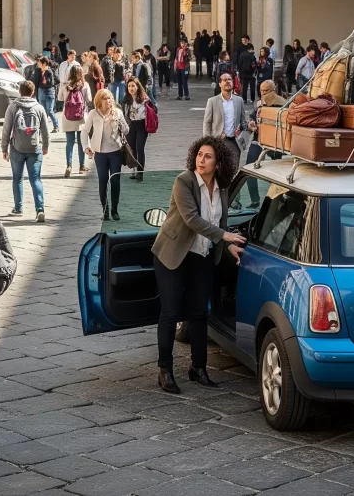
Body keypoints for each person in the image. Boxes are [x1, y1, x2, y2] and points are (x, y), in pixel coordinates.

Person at [151, 136, 247, 393]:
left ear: (218, 163)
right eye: (199, 154)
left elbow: (220, 222)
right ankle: (165, 370)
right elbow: (192, 219)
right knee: (171, 312)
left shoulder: (222, 187)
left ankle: (199, 368)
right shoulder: (184, 181)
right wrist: (224, 236)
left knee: (199, 312)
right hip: (173, 254)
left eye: (208, 156)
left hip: (201, 255)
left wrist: (228, 245)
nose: (201, 160)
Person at [2, 81, 51, 221]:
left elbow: (6, 129)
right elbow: (45, 130)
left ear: (20, 91)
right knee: (35, 179)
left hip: (16, 148)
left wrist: (4, 148)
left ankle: (18, 208)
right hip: (35, 148)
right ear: (33, 92)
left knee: (17, 178)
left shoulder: (13, 107)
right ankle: (40, 209)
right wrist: (46, 145)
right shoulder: (39, 108)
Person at [85, 89, 129, 220]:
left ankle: (115, 209)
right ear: (99, 101)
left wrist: (120, 124)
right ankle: (105, 210)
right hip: (100, 153)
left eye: (109, 98)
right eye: (105, 99)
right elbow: (84, 131)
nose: (108, 101)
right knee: (103, 181)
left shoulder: (117, 112)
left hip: (115, 152)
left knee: (115, 180)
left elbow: (127, 130)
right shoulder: (93, 114)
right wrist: (86, 146)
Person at [245, 80, 285, 206]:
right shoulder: (259, 103)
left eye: (265, 91)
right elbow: (253, 117)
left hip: (275, 142)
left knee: (276, 173)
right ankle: (255, 200)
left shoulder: (283, 103)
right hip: (259, 139)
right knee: (249, 168)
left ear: (273, 90)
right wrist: (251, 123)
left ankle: (277, 200)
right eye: (261, 91)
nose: (262, 93)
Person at [204, 73, 249, 167]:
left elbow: (243, 119)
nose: (228, 81)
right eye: (225, 80)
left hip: (234, 141)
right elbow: (207, 122)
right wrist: (208, 141)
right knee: (218, 169)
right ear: (220, 84)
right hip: (218, 141)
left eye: (229, 79)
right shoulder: (212, 101)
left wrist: (241, 128)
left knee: (234, 168)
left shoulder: (239, 100)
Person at [60, 65, 93, 178]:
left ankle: (69, 166)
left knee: (69, 142)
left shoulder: (65, 85)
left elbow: (60, 98)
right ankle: (81, 166)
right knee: (81, 142)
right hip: (81, 117)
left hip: (67, 116)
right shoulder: (85, 85)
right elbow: (89, 100)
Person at [122, 77, 155, 181]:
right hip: (131, 125)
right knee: (132, 149)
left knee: (140, 148)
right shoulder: (126, 99)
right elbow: (123, 114)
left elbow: (154, 110)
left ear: (137, 87)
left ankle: (140, 172)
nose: (131, 88)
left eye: (133, 86)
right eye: (129, 86)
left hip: (141, 125)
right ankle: (134, 170)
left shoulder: (145, 98)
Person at [30, 56, 59, 133]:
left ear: (44, 63)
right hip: (41, 91)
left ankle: (56, 126)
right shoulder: (37, 70)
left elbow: (51, 83)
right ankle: (42, 127)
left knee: (49, 110)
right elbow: (35, 81)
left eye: (40, 62)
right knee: (42, 110)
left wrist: (46, 80)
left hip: (49, 91)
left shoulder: (49, 71)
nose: (38, 64)